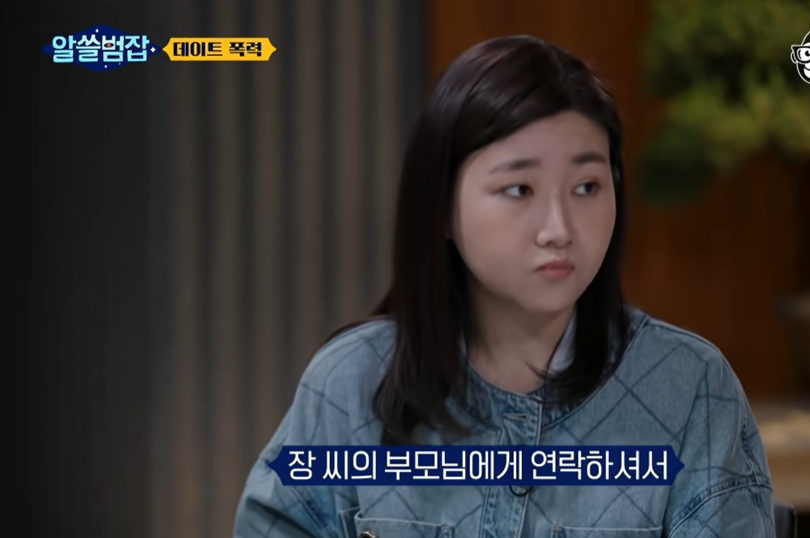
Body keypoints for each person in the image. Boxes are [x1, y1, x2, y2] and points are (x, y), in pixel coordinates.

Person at [234, 35, 775, 538]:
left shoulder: (689, 387)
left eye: (587, 186)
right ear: (440, 206)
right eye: (519, 189)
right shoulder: (351, 382)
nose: (558, 229)